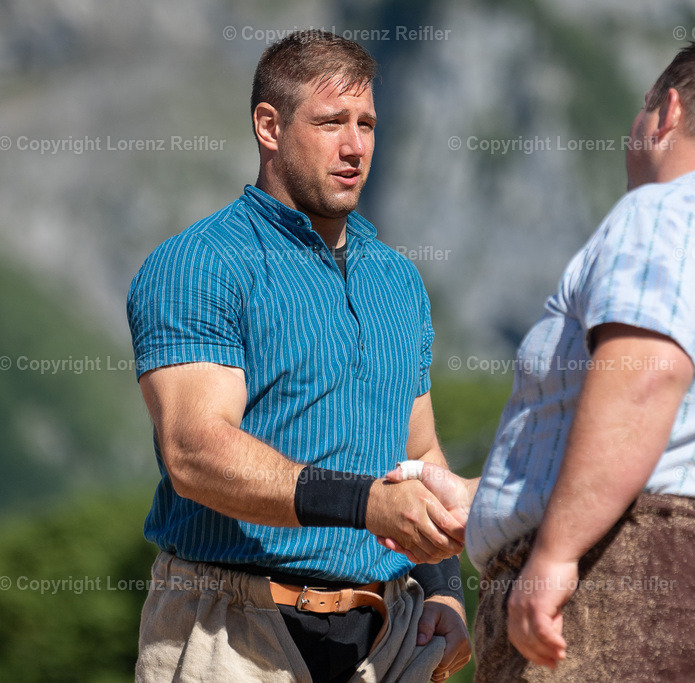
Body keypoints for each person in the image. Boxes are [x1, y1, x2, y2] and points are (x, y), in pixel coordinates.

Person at [383, 37, 695, 680]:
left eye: (642, 108)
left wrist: (555, 553)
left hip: (649, 582)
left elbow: (644, 381)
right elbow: (689, 449)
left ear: (667, 112)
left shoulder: (672, 208)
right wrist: (482, 501)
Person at [127, 30, 470, 683]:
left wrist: (446, 590)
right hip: (232, 630)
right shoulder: (199, 263)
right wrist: (367, 503)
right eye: (331, 121)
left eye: (367, 124)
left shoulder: (398, 280)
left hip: (388, 630)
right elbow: (194, 451)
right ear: (270, 126)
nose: (355, 145)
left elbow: (420, 452)